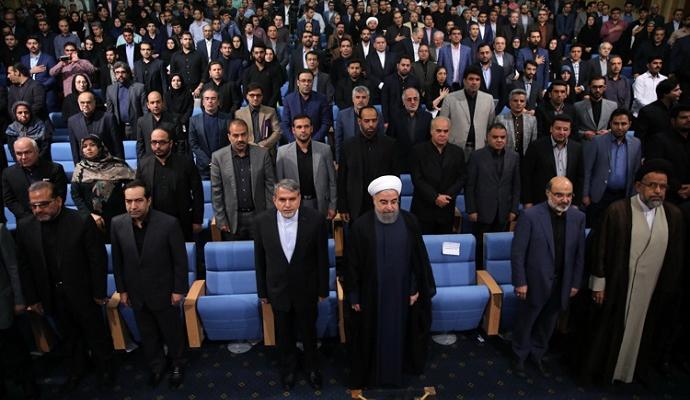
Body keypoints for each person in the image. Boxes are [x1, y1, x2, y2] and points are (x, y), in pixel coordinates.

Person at [579, 159, 683, 384]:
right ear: (638, 186)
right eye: (652, 185)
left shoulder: (673, 215)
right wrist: (598, 285)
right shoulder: (618, 211)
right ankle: (604, 374)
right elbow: (599, 249)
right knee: (607, 333)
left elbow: (675, 258)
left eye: (662, 186)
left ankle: (633, 372)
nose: (658, 191)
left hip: (652, 291)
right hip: (618, 288)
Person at [16, 181, 114, 392]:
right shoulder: (25, 226)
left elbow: (97, 259)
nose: (38, 210)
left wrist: (99, 292)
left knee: (95, 334)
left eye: (43, 204)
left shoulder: (81, 221)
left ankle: (105, 369)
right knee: (69, 335)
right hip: (50, 294)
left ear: (59, 200)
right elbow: (24, 266)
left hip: (84, 293)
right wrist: (33, 298)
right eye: (33, 205)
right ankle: (78, 368)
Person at [344, 175, 436, 388]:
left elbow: (418, 261)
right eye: (383, 202)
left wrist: (414, 288)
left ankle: (399, 371)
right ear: (374, 201)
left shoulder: (410, 221)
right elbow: (352, 265)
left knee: (401, 334)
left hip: (402, 295)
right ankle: (373, 375)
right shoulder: (361, 226)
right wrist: (354, 296)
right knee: (371, 336)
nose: (389, 207)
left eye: (394, 202)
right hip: (371, 295)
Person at [111, 180, 189, 389]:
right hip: (136, 292)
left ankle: (178, 364)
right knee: (148, 334)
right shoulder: (117, 224)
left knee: (172, 332)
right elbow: (117, 261)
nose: (133, 206)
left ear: (149, 200)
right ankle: (156, 366)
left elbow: (180, 261)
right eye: (128, 201)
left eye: (138, 201)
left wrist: (178, 290)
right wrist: (122, 290)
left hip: (164, 291)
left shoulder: (169, 223)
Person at [254, 179, 329, 390]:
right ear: (274, 200)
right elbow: (259, 259)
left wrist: (323, 289)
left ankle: (312, 368)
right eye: (282, 199)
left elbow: (322, 258)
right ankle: (288, 370)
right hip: (278, 290)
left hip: (307, 289)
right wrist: (262, 291)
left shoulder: (316, 219)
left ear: (299, 199)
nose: (287, 204)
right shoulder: (261, 221)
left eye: (292, 199)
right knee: (284, 335)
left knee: (309, 333)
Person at [511, 176, 585, 377]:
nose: (564, 200)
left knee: (548, 323)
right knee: (527, 321)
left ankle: (537, 355)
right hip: (534, 282)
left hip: (562, 282)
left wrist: (575, 283)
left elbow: (579, 254)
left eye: (568, 195)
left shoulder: (578, 217)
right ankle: (519, 357)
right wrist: (520, 282)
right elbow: (518, 253)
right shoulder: (530, 215)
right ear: (548, 193)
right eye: (559, 195)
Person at [210, 119, 275, 240]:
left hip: (258, 215)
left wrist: (270, 215)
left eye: (243, 134)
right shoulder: (218, 157)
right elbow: (216, 192)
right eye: (235, 135)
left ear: (248, 135)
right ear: (229, 137)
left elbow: (270, 187)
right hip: (231, 219)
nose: (240, 139)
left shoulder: (263, 154)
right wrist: (221, 219)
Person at [136, 128, 204, 242]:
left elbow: (197, 192)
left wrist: (197, 220)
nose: (157, 146)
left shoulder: (186, 163)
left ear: (171, 143)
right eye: (154, 142)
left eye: (162, 142)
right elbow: (138, 193)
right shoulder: (143, 165)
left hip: (182, 221)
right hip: (153, 222)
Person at [466, 123, 520, 263]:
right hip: (482, 212)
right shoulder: (476, 156)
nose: (499, 140)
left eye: (502, 137)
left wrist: (514, 209)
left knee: (499, 248)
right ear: (487, 137)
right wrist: (471, 209)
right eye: (495, 137)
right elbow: (469, 185)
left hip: (504, 212)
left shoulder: (514, 157)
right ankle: (479, 272)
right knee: (480, 248)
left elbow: (516, 186)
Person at [337, 106, 399, 223]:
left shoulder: (390, 145)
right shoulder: (348, 146)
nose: (371, 124)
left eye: (374, 120)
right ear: (359, 121)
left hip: (383, 204)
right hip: (356, 205)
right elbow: (342, 179)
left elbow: (395, 177)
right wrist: (343, 207)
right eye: (367, 121)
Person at [583, 108, 641, 228]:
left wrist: (634, 197)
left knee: (618, 230)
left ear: (630, 124)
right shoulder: (597, 141)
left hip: (623, 196)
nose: (619, 127)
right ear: (610, 123)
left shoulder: (636, 143)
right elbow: (587, 170)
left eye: (623, 124)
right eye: (616, 123)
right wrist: (585, 195)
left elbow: (636, 172)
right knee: (595, 230)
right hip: (599, 195)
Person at [71, 135, 135, 241]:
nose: (88, 148)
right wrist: (89, 215)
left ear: (100, 147)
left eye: (92, 145)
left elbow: (133, 186)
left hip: (118, 216)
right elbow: (76, 195)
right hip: (92, 219)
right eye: (85, 146)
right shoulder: (80, 169)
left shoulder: (118, 165)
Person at [409, 116, 465, 234]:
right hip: (423, 209)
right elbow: (417, 179)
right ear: (431, 131)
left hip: (446, 209)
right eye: (438, 131)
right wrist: (435, 197)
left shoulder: (458, 152)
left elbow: (461, 178)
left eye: (445, 131)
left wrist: (447, 196)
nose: (442, 134)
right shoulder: (418, 151)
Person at [276, 116, 336, 219]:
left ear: (311, 128)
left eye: (306, 126)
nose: (303, 130)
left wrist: (332, 206)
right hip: (293, 205)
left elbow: (332, 181)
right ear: (293, 130)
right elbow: (279, 183)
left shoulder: (325, 150)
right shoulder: (282, 152)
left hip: (320, 204)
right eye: (299, 127)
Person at [521, 115, 584, 207]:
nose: (561, 132)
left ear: (570, 131)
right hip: (541, 201)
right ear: (551, 129)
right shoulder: (536, 147)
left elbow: (580, 177)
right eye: (558, 128)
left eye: (565, 129)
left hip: (567, 201)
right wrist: (527, 201)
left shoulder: (577, 148)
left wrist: (576, 204)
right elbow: (526, 176)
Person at [2, 138, 67, 221]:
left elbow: (60, 195)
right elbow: (10, 200)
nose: (23, 157)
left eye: (27, 152)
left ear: (37, 151)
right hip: (25, 221)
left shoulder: (55, 169)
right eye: (19, 153)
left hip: (54, 219)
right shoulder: (8, 173)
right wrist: (28, 218)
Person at [439, 66, 496, 159]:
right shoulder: (450, 98)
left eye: (477, 79)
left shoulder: (488, 99)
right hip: (455, 148)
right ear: (464, 81)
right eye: (471, 79)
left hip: (480, 148)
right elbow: (442, 124)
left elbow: (491, 125)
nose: (474, 82)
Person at [645, 105, 690, 205]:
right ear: (673, 121)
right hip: (667, 196)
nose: (688, 120)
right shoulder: (659, 140)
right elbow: (654, 168)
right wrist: (677, 187)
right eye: (683, 117)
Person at [68, 92, 123, 164]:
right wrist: (77, 167)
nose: (85, 105)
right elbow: (74, 149)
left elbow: (117, 145)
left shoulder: (108, 118)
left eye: (88, 102)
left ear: (94, 102)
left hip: (107, 164)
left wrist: (120, 164)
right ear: (78, 104)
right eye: (82, 103)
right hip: (85, 165)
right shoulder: (72, 121)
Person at [188, 88, 232, 178]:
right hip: (202, 167)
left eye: (213, 98)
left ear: (218, 102)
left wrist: (217, 161)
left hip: (223, 165)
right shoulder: (194, 120)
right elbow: (193, 144)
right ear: (203, 102)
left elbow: (230, 141)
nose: (210, 101)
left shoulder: (227, 119)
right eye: (207, 98)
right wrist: (208, 161)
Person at [387, 87, 431, 172]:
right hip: (401, 163)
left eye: (415, 99)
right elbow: (390, 140)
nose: (413, 102)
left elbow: (429, 140)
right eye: (409, 99)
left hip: (422, 163)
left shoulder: (427, 117)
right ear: (403, 102)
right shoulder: (395, 117)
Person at [281, 70, 331, 143]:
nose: (306, 84)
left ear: (312, 82)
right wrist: (295, 142)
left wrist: (312, 142)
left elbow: (326, 123)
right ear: (298, 83)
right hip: (294, 143)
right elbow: (285, 124)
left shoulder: (322, 99)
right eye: (303, 81)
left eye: (309, 81)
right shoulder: (289, 100)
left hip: (316, 142)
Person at [234, 84, 282, 155]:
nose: (255, 98)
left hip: (266, 150)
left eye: (258, 95)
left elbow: (277, 132)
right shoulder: (239, 114)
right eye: (252, 95)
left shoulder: (270, 111)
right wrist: (251, 145)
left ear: (262, 97)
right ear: (247, 96)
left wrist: (263, 144)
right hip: (247, 150)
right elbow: (238, 134)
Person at [634, 78, 681, 151]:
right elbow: (640, 137)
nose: (680, 92)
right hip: (654, 151)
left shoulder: (678, 109)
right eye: (676, 90)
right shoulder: (647, 111)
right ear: (665, 93)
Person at [105, 62, 147, 140]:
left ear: (128, 73)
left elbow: (145, 110)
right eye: (117, 72)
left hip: (137, 127)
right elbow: (109, 112)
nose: (120, 75)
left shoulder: (139, 88)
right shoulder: (110, 89)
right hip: (119, 128)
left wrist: (145, 126)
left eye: (123, 72)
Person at [135, 92, 183, 159]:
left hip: (170, 161)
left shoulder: (174, 120)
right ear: (148, 105)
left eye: (158, 102)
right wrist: (142, 163)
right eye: (152, 103)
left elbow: (180, 143)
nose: (155, 105)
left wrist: (179, 161)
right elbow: (140, 146)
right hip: (150, 162)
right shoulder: (142, 122)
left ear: (163, 103)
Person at [495, 89, 538, 157]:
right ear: (510, 102)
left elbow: (533, 141)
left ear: (525, 104)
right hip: (505, 158)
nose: (518, 103)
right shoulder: (500, 119)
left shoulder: (532, 120)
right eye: (515, 101)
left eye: (522, 101)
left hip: (525, 158)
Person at [574, 75, 619, 141]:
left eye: (600, 87)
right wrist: (583, 134)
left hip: (606, 142)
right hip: (586, 143)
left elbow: (617, 126)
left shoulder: (613, 106)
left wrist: (608, 132)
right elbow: (573, 129)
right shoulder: (578, 106)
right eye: (594, 87)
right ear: (589, 87)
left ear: (605, 87)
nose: (597, 90)